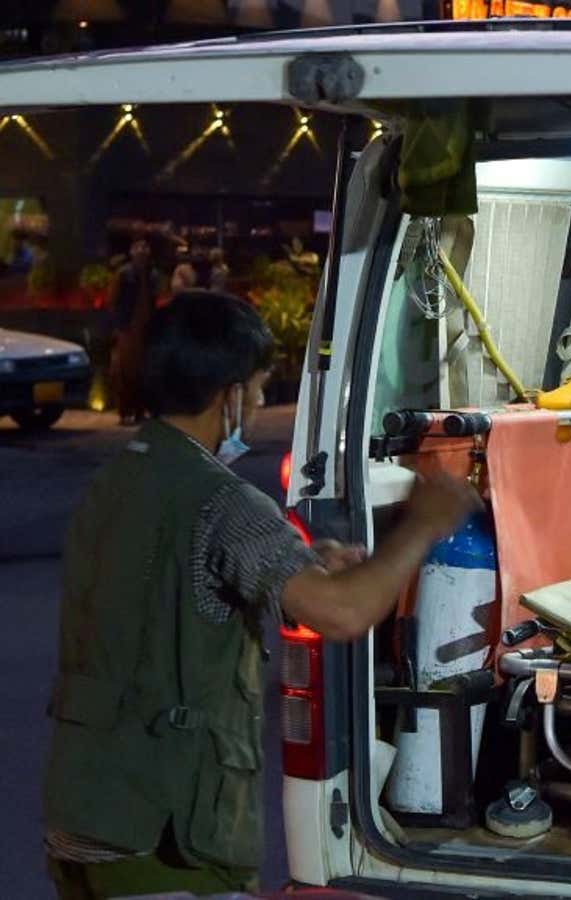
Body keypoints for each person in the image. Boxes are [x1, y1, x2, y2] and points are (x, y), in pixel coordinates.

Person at [43, 291, 481, 899]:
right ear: (229, 396)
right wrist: (426, 523)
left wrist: (308, 566)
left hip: (83, 814)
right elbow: (345, 612)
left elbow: (165, 596)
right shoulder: (223, 501)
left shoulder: (118, 479)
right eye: (252, 389)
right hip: (160, 841)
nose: (252, 405)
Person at [108, 238, 161, 426]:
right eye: (138, 247)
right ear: (131, 251)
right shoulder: (124, 274)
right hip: (129, 329)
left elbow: (154, 300)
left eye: (145, 247)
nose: (142, 250)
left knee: (143, 371)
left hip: (145, 328)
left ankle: (140, 410)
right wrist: (119, 326)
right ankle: (125, 411)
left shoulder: (152, 274)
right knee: (125, 371)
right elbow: (114, 301)